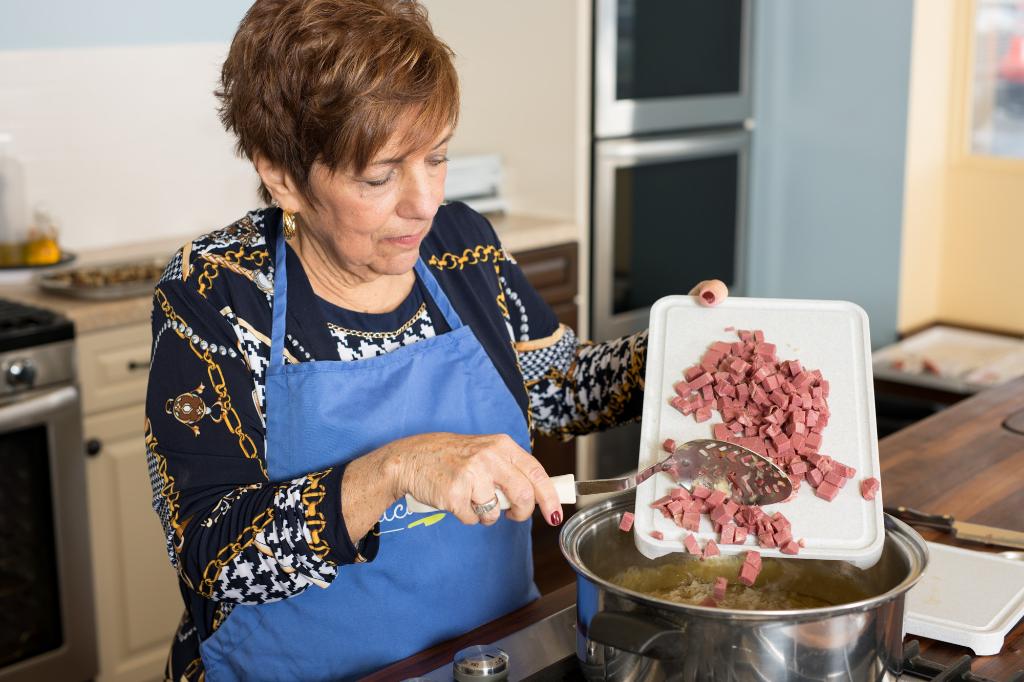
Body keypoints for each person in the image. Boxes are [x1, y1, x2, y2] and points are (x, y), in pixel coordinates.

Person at [143, 1, 728, 679]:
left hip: (494, 657)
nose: (424, 202)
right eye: (380, 175)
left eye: (438, 155)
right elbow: (214, 554)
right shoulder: (215, 292)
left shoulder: (460, 245)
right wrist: (395, 469)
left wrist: (689, 357)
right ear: (281, 175)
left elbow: (556, 384)